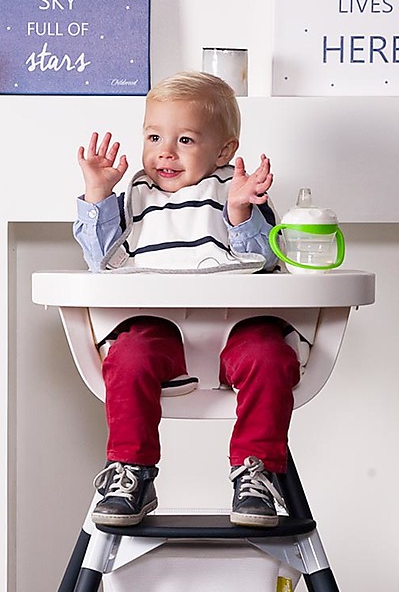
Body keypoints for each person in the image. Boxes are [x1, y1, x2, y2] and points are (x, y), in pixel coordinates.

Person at [73, 72, 300, 528]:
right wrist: (99, 194)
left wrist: (240, 212)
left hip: (240, 329)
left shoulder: (238, 190)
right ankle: (130, 470)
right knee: (128, 355)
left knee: (272, 356)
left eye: (185, 139)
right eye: (154, 136)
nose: (166, 152)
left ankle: (256, 471)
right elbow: (101, 261)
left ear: (223, 151)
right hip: (160, 336)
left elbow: (267, 261)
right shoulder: (136, 194)